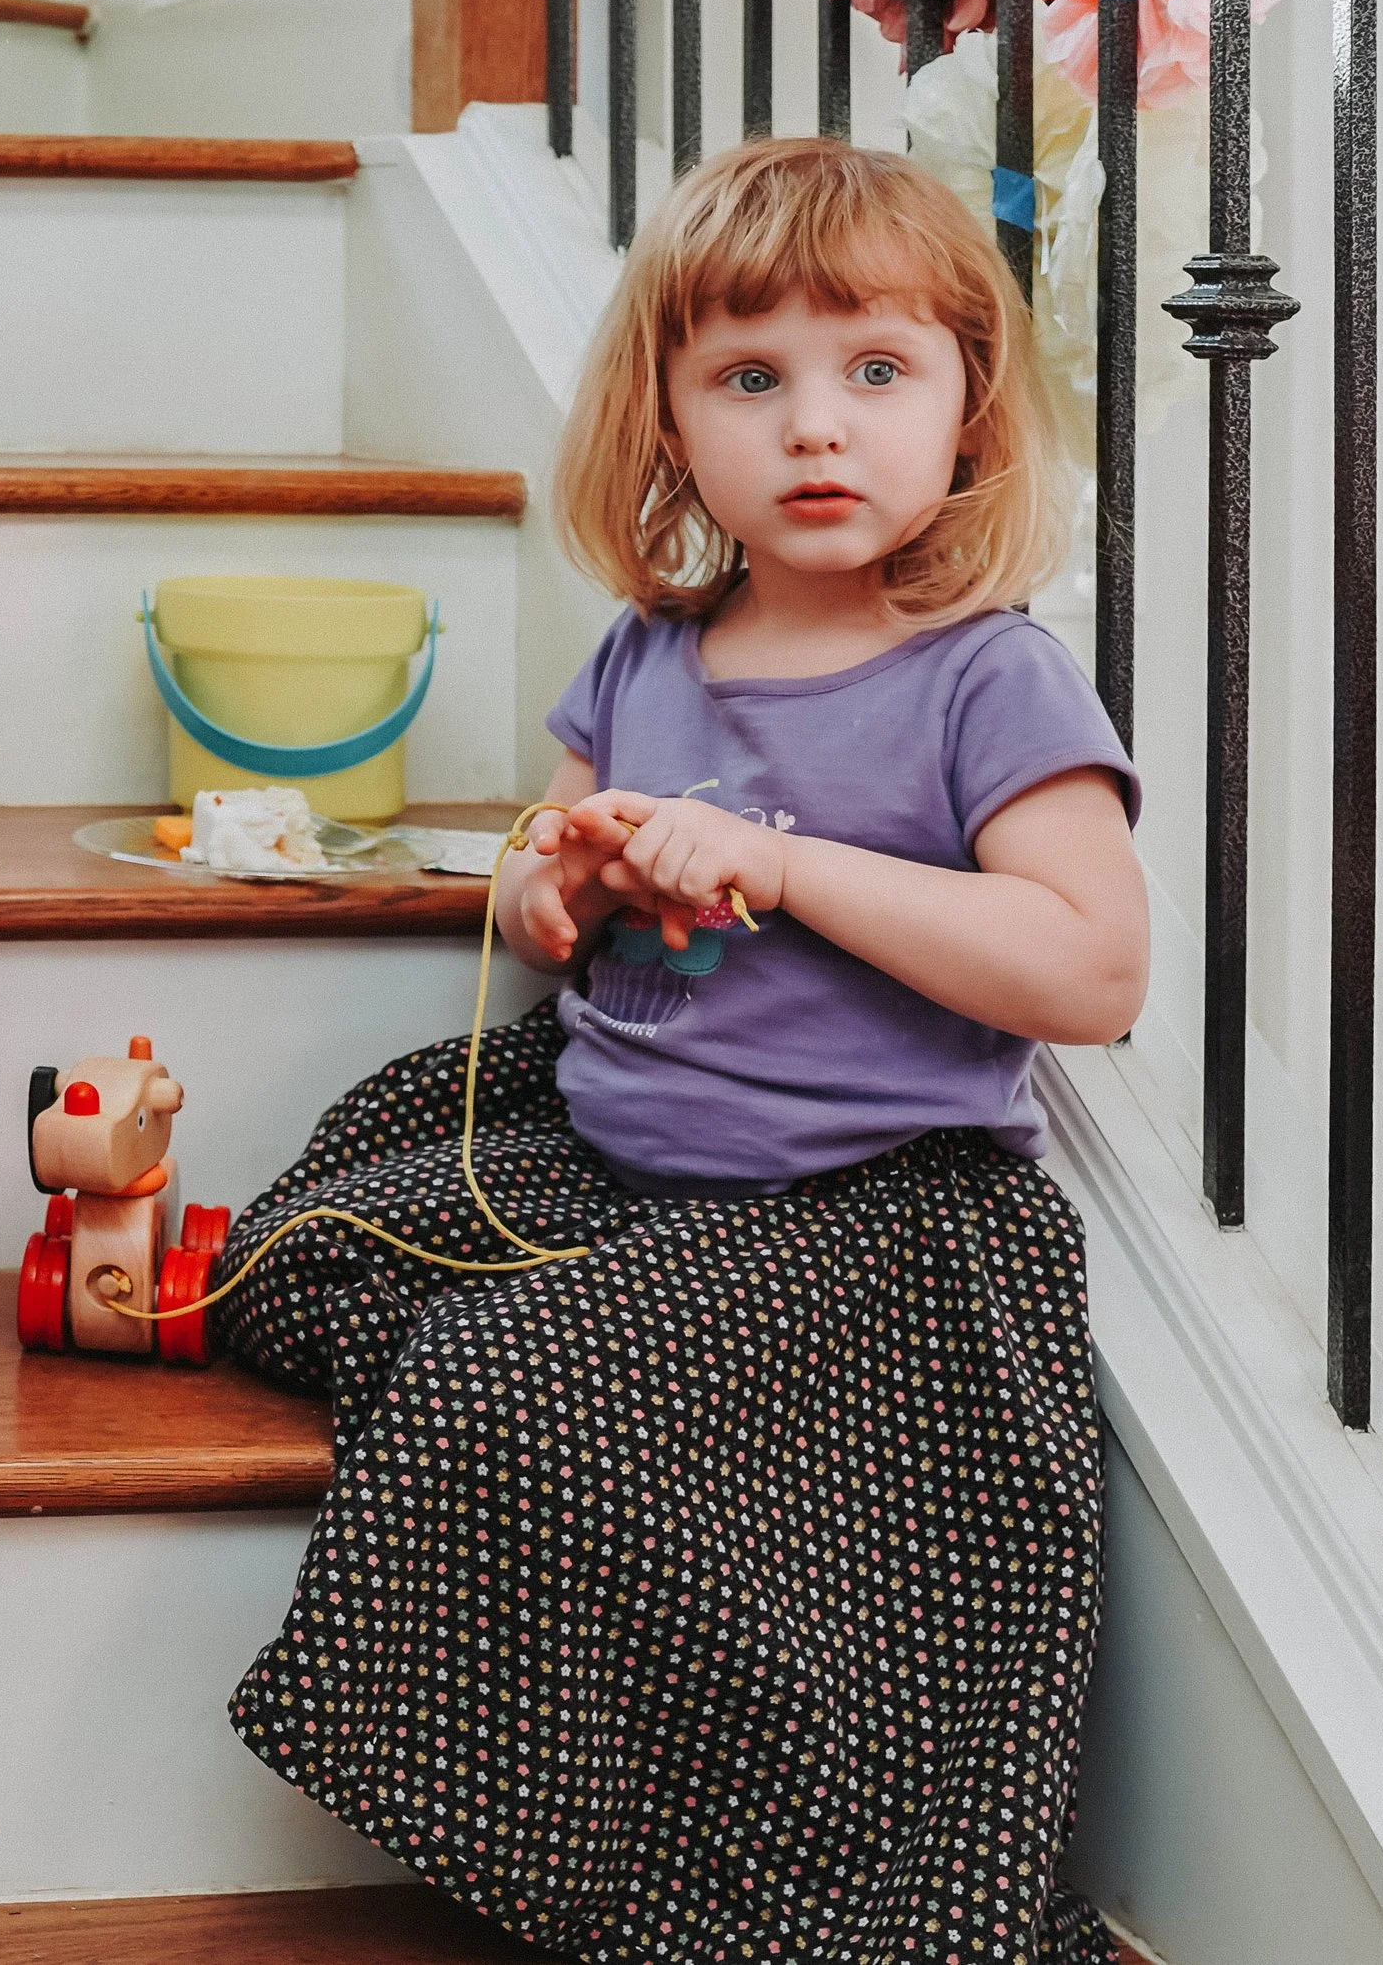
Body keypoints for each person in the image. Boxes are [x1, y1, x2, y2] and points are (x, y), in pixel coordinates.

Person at [210, 138, 1145, 1964]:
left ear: (968, 411)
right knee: (295, 1252)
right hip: (623, 1156)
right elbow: (539, 882)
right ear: (669, 419)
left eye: (877, 372)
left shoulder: (983, 675)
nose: (818, 427)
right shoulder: (649, 649)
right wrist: (554, 893)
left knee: (505, 1388)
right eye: (751, 378)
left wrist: (788, 866)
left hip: (867, 1217)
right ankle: (630, 1422)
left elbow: (1091, 968)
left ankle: (640, 1860)